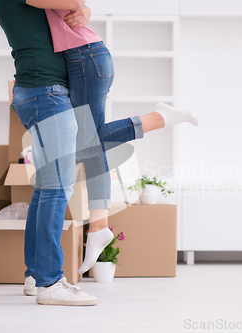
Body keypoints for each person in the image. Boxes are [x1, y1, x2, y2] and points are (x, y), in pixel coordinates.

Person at [0, 0, 197, 306]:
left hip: (43, 90)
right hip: (44, 91)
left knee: (49, 185)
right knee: (58, 186)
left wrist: (82, 10)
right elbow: (72, 2)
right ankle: (50, 282)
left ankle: (36, 277)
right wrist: (82, 7)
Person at [44, 8, 199, 276]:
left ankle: (161, 117)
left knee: (87, 143)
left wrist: (82, 7)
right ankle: (98, 228)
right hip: (84, 60)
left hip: (86, 59)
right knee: (91, 146)